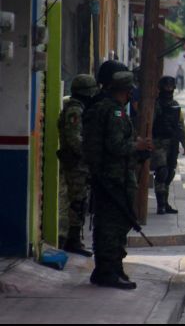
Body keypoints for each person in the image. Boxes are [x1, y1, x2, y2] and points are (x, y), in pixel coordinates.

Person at [82, 71, 153, 290]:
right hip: (113, 178)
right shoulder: (113, 111)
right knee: (111, 226)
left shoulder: (107, 108)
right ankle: (106, 271)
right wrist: (138, 146)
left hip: (113, 177)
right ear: (126, 91)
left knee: (116, 223)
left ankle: (113, 267)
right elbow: (115, 146)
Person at [57, 74, 99, 257]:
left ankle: (73, 239)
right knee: (77, 202)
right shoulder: (75, 110)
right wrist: (88, 155)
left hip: (78, 163)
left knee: (80, 201)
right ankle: (71, 240)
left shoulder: (78, 108)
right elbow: (75, 139)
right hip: (76, 164)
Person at [151, 76, 185, 215]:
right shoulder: (155, 105)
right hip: (158, 142)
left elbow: (181, 125)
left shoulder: (175, 105)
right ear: (161, 88)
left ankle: (165, 203)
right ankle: (160, 205)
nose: (169, 89)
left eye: (171, 86)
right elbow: (148, 124)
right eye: (166, 86)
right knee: (162, 172)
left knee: (170, 173)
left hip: (172, 143)